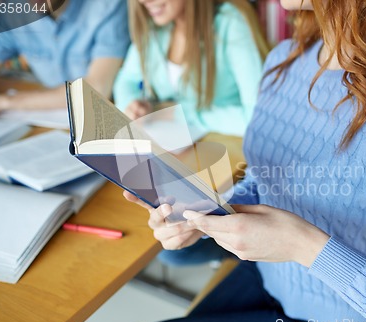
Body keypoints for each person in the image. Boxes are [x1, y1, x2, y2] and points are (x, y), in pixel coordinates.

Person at [125, 0, 366, 322]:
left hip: (336, 320)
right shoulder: (285, 59)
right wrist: (204, 213)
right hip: (267, 281)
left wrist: (303, 245)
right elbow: (266, 179)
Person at [115, 0, 269, 266]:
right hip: (174, 154)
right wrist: (132, 104)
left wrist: (185, 112)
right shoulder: (157, 27)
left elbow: (257, 115)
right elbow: (125, 81)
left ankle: (246, 258)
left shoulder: (229, 23)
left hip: (227, 156)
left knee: (173, 251)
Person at [0, 0, 130, 117]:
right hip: (48, 118)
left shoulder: (108, 5)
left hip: (106, 115)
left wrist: (3, 102)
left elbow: (96, 89)